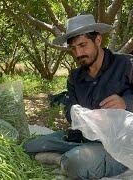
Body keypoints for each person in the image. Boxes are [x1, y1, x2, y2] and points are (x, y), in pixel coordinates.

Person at [24, 14, 133, 179]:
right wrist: (75, 113)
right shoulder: (75, 77)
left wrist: (125, 102)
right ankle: (69, 156)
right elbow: (69, 109)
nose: (78, 53)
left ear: (98, 40)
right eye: (73, 48)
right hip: (83, 137)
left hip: (118, 143)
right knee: (30, 146)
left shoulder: (126, 64)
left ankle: (65, 159)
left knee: (78, 162)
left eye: (82, 45)